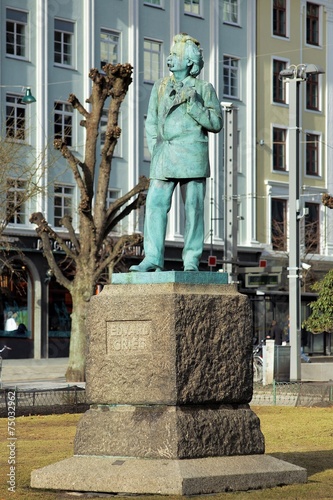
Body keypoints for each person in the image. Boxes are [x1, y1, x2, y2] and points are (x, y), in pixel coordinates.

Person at [130, 33, 223, 272]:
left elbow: (215, 123)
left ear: (189, 63)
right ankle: (152, 258)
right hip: (164, 156)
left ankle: (191, 260)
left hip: (192, 156)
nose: (169, 59)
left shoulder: (203, 89)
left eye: (174, 55)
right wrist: (156, 148)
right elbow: (151, 121)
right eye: (170, 54)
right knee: (154, 204)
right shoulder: (160, 86)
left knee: (194, 208)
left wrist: (195, 105)